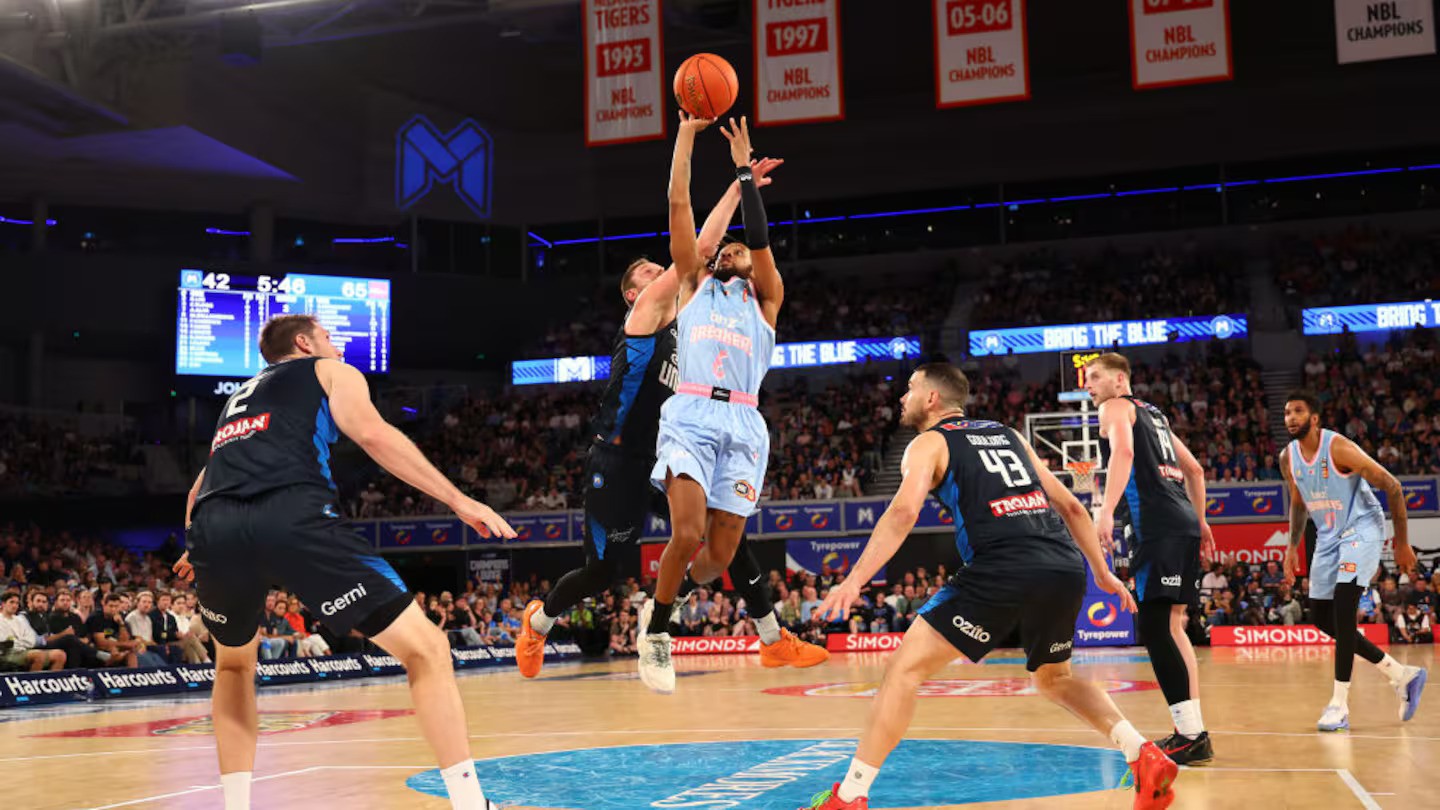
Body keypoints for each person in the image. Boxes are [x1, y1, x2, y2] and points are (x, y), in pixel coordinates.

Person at [172, 313, 516, 810]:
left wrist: (195, 545)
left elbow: (199, 487)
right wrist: (460, 501)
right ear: (304, 342)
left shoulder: (238, 399)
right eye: (331, 338)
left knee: (232, 669)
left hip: (213, 528)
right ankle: (470, 804)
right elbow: (372, 435)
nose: (339, 348)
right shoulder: (327, 371)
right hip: (293, 516)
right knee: (427, 650)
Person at [798, 364, 1176, 810]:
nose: (903, 397)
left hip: (1002, 565)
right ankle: (1142, 754)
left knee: (904, 670)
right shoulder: (1009, 435)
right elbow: (1072, 506)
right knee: (1055, 679)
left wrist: (854, 580)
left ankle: (850, 795)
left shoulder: (929, 443)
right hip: (1061, 564)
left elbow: (902, 514)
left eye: (910, 388)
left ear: (933, 399)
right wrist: (1101, 571)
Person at [515, 152, 820, 679]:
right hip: (619, 456)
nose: (665, 272)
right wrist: (736, 185)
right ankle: (539, 622)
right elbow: (698, 248)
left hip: (675, 446)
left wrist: (740, 190)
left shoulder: (699, 322)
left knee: (726, 540)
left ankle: (770, 636)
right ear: (636, 293)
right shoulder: (644, 315)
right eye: (651, 272)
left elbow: (712, 261)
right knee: (604, 571)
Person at [639, 114, 798, 693]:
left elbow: (758, 236)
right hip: (692, 413)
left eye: (740, 250)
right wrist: (693, 140)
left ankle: (672, 592)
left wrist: (744, 174)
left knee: (717, 557)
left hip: (746, 422)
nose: (731, 252)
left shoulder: (767, 300)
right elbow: (678, 205)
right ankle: (656, 635)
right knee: (684, 535)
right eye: (723, 249)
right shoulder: (693, 284)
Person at [1087, 353, 1216, 765]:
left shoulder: (1115, 407)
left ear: (1119, 379)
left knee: (1155, 626)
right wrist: (1203, 522)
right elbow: (1194, 470)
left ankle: (1191, 734)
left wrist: (1105, 510)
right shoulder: (1155, 415)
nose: (1088, 386)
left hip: (1156, 524)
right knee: (1175, 625)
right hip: (1184, 522)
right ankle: (1194, 733)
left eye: (1094, 378)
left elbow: (1122, 453)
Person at [1278, 390, 1426, 731]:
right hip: (1329, 536)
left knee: (1344, 609)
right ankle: (1402, 675)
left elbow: (1392, 485)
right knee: (1321, 618)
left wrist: (1402, 543)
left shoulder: (1339, 448)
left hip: (1362, 528)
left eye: (1298, 411)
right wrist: (1291, 547)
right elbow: (1299, 503)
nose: (1290, 418)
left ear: (1314, 419)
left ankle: (1339, 706)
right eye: (1287, 413)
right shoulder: (1288, 458)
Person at [0, 590, 66, 671]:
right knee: (38, 655)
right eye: (11, 602)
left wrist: (19, 642)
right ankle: (29, 682)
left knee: (60, 655)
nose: (15, 605)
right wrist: (22, 642)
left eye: (17, 603)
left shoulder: (20, 619)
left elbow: (32, 639)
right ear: (3, 604)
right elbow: (6, 642)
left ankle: (50, 682)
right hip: (8, 654)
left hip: (25, 651)